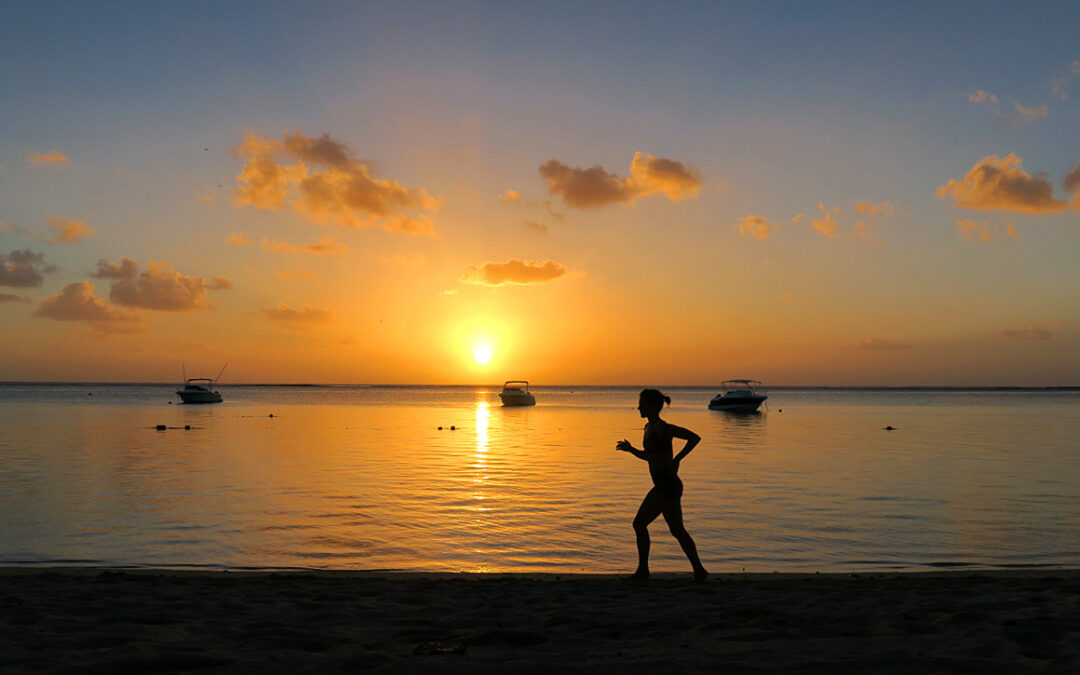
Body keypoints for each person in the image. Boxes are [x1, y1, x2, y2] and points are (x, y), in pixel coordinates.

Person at [616, 388, 708, 582]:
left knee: (639, 524)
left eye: (641, 404)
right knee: (677, 530)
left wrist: (677, 460)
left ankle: (643, 570)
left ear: (652, 406)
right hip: (666, 484)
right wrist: (631, 450)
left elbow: (694, 438)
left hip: (667, 485)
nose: (638, 407)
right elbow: (650, 457)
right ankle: (699, 570)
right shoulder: (648, 428)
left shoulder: (663, 428)